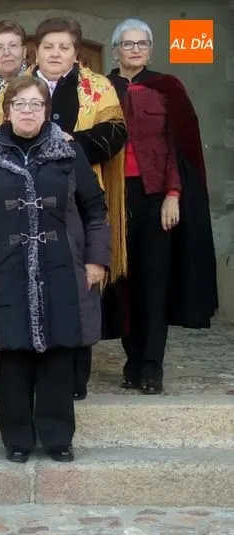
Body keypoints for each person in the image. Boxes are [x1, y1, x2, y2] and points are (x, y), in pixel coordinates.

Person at [0, 17, 128, 399]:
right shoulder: (19, 87)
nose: (55, 53)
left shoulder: (98, 86)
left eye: (64, 47)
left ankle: (74, 379)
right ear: (36, 51)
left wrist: (68, 147)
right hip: (20, 207)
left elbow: (115, 131)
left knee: (75, 294)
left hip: (76, 194)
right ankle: (20, 376)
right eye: (48, 47)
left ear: (76, 53)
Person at [0, 76, 110, 464]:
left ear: (47, 111)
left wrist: (95, 259)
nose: (28, 111)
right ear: (6, 110)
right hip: (6, 267)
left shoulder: (67, 152)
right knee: (13, 357)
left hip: (61, 265)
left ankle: (58, 436)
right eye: (20, 104)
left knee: (60, 352)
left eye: (36, 104)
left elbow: (95, 208)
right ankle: (18, 438)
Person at [107, 18, 218, 394]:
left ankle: (152, 366)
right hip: (115, 198)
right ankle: (132, 358)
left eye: (142, 43)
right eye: (128, 43)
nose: (135, 49)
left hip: (157, 198)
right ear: (116, 49)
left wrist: (173, 194)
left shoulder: (167, 87)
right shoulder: (102, 90)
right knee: (123, 282)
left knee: (154, 281)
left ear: (150, 49)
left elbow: (178, 146)